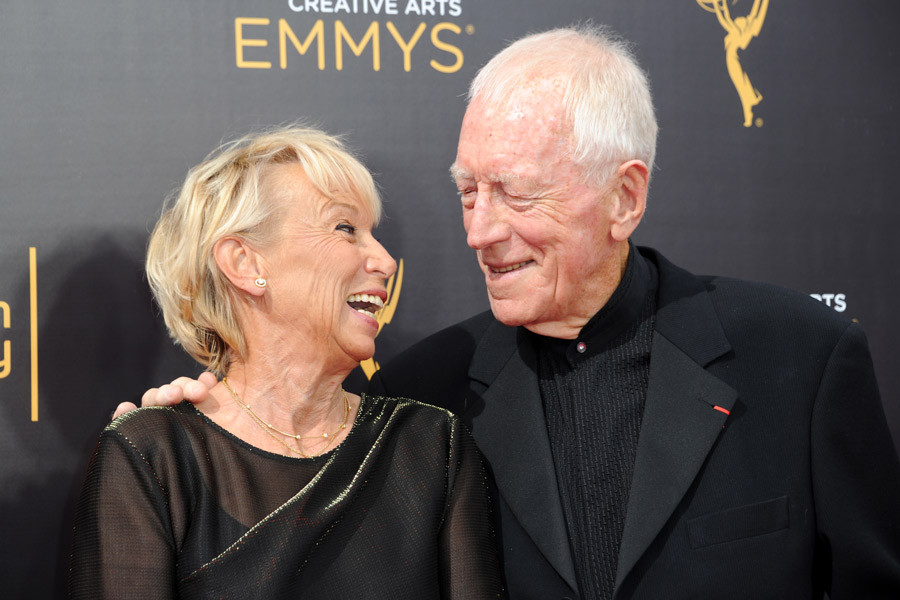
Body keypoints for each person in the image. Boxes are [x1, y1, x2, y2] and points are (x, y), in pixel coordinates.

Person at [128, 26, 900, 599]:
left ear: (625, 197)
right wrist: (201, 422)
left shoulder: (801, 359)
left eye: (517, 194)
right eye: (469, 191)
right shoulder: (421, 397)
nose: (479, 231)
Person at [70, 126, 505, 599]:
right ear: (244, 263)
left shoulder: (430, 446)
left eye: (372, 234)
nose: (384, 260)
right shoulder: (156, 457)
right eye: (345, 229)